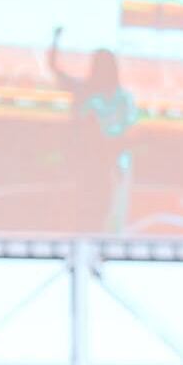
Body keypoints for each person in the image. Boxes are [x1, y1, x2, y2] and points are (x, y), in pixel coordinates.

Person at [47, 27, 138, 234]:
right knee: (85, 210)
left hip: (107, 163)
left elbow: (129, 130)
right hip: (86, 161)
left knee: (102, 211)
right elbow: (54, 67)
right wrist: (55, 40)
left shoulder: (121, 98)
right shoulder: (85, 90)